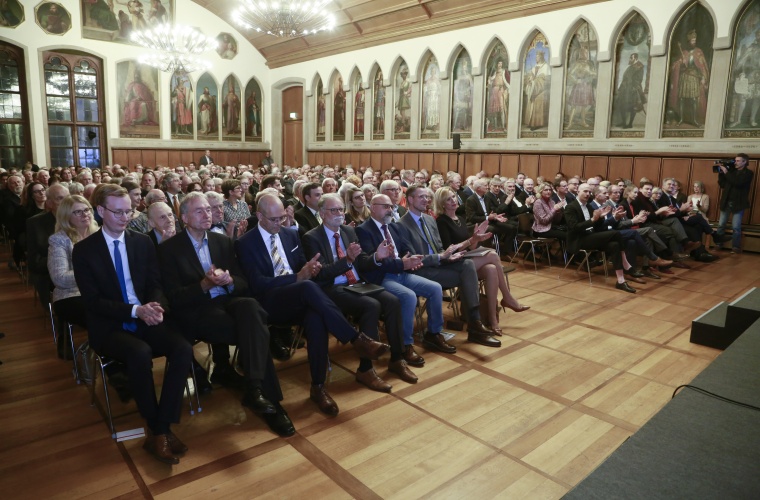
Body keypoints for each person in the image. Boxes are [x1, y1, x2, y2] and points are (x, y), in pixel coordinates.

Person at [235, 193, 390, 416]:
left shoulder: (290, 234)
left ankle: (318, 387)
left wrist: (311, 269)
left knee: (316, 317)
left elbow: (302, 267)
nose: (280, 223)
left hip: (299, 296)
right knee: (307, 287)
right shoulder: (245, 243)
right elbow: (257, 284)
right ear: (259, 215)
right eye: (274, 219)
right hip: (269, 301)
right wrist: (298, 277)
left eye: (282, 218)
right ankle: (356, 338)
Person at [72, 184, 193, 465]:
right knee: (139, 353)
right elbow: (92, 302)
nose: (126, 217)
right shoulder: (84, 250)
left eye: (129, 211)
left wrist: (155, 306)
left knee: (182, 348)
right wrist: (135, 311)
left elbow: (155, 283)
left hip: (143, 316)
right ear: (101, 212)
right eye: (118, 212)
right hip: (109, 325)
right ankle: (158, 429)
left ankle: (160, 428)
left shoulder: (141, 242)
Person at [159, 192, 294, 436]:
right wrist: (204, 286)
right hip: (197, 311)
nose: (207, 215)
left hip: (227, 301)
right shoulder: (169, 250)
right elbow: (174, 299)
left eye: (208, 210)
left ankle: (254, 389)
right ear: (184, 217)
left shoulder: (222, 242)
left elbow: (244, 283)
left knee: (252, 307)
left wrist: (230, 280)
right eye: (199, 211)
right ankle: (270, 404)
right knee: (257, 333)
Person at [302, 194, 417, 391]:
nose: (339, 214)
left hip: (357, 284)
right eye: (333, 210)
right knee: (370, 306)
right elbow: (320, 275)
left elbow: (362, 261)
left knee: (392, 301)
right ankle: (366, 369)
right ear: (321, 213)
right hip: (332, 288)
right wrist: (346, 260)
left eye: (340, 209)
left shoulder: (348, 231)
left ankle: (397, 359)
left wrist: (376, 257)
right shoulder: (311, 237)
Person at [399, 186, 501, 346]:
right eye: (421, 197)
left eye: (427, 197)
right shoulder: (401, 224)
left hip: (440, 265)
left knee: (467, 265)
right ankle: (467, 326)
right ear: (410, 199)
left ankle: (474, 323)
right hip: (421, 271)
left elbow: (440, 248)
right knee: (469, 270)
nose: (426, 200)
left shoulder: (429, 220)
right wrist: (440, 256)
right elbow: (412, 259)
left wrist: (449, 255)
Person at [434, 187, 528, 334]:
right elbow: (449, 250)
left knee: (491, 269)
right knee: (492, 255)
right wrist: (472, 240)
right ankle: (507, 297)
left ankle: (492, 319)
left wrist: (477, 237)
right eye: (448, 199)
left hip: (466, 258)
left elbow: (471, 247)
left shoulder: (460, 219)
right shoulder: (441, 221)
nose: (453, 201)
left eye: (453, 197)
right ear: (442, 204)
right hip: (453, 262)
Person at [564, 183, 638, 293]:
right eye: (585, 191)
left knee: (615, 245)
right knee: (616, 233)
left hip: (591, 236)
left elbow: (598, 227)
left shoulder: (588, 206)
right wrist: (593, 219)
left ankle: (621, 281)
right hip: (579, 239)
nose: (587, 194)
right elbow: (574, 228)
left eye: (589, 192)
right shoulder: (570, 207)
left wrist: (606, 218)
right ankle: (626, 263)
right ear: (578, 192)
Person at [48, 195, 99, 331]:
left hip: (101, 291)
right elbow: (60, 279)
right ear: (66, 217)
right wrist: (95, 274)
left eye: (87, 210)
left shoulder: (100, 234)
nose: (85, 214)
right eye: (78, 212)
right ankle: (100, 349)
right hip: (71, 295)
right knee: (100, 314)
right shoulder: (59, 240)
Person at [668, 29, 709, 127]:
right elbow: (676, 65)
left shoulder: (699, 52)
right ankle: (682, 119)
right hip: (684, 78)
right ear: (689, 41)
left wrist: (703, 77)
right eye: (692, 40)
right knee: (682, 99)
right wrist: (680, 63)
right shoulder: (684, 52)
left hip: (694, 77)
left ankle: (694, 120)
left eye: (695, 40)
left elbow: (703, 66)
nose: (694, 42)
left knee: (694, 99)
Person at [716, 154, 754, 253]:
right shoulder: (731, 172)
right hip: (726, 201)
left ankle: (735, 247)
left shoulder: (748, 173)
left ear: (744, 162)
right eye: (735, 160)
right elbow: (723, 184)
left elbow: (738, 183)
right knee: (721, 225)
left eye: (738, 161)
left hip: (739, 203)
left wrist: (726, 172)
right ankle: (718, 243)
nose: (735, 162)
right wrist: (721, 173)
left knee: (736, 227)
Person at [614, 52, 647, 129]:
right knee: (622, 106)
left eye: (631, 58)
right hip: (625, 89)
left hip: (633, 90)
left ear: (635, 58)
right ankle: (624, 122)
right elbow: (625, 78)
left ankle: (630, 124)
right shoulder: (630, 67)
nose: (630, 59)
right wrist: (621, 87)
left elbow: (639, 79)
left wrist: (633, 87)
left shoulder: (639, 67)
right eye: (630, 57)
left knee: (633, 107)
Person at [524, 49, 550, 131]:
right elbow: (531, 76)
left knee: (538, 102)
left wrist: (535, 81)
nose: (536, 58)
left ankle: (537, 123)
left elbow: (545, 80)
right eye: (536, 57)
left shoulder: (546, 67)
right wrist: (529, 80)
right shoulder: (534, 67)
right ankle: (531, 122)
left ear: (541, 57)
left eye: (538, 57)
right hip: (534, 89)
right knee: (531, 102)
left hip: (541, 91)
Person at [487, 59, 509, 132]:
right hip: (494, 91)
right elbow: (491, 80)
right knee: (494, 111)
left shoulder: (503, 71)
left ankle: (503, 127)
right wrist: (489, 80)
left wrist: (509, 88)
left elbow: (506, 81)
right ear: (497, 64)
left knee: (502, 110)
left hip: (500, 90)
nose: (500, 65)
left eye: (501, 63)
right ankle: (494, 126)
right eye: (499, 63)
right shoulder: (495, 72)